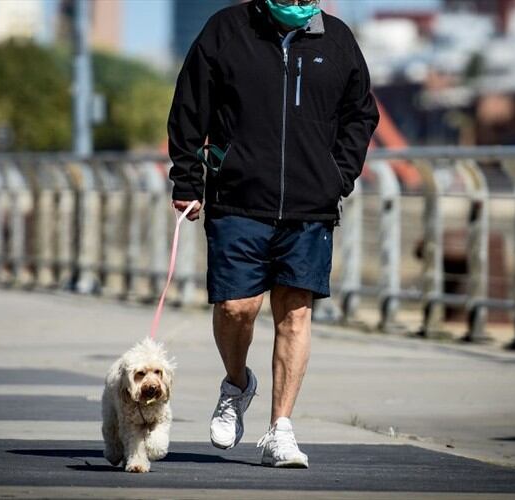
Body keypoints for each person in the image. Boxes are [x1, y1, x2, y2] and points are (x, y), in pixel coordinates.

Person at [167, 0, 378, 468]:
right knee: (236, 307)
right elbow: (189, 106)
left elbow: (361, 114)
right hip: (238, 199)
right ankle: (237, 384)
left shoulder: (338, 40)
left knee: (295, 314)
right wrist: (186, 180)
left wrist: (337, 176)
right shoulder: (226, 29)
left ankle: (280, 429)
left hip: (310, 206)